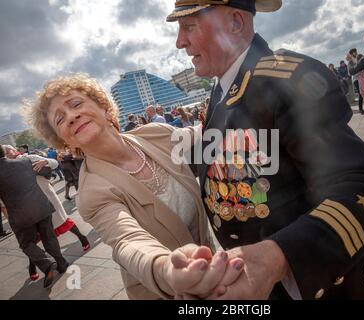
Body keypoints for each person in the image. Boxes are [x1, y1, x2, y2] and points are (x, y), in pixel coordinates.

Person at [167, 0, 364, 300]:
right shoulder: (221, 88)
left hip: (317, 282)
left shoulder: (288, 81)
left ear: (236, 23)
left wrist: (277, 257)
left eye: (189, 27)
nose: (180, 41)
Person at [24, 74, 244, 300]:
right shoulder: (92, 193)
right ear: (64, 142)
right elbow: (127, 241)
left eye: (76, 104)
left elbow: (208, 133)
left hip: (215, 269)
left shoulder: (156, 133)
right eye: (60, 119)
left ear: (104, 107)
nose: (71, 116)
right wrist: (166, 269)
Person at [3, 145, 90, 280]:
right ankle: (47, 265)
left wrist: (46, 162)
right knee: (39, 239)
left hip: (46, 199)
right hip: (38, 206)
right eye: (6, 152)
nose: (9, 153)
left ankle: (80, 240)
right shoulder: (16, 165)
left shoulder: (28, 159)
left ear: (16, 150)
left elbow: (54, 164)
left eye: (11, 150)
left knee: (61, 225)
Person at [0, 144, 69, 288]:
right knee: (49, 237)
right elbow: (48, 170)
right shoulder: (24, 161)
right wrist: (46, 162)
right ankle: (61, 264)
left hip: (21, 216)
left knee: (26, 244)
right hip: (41, 207)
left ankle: (47, 263)